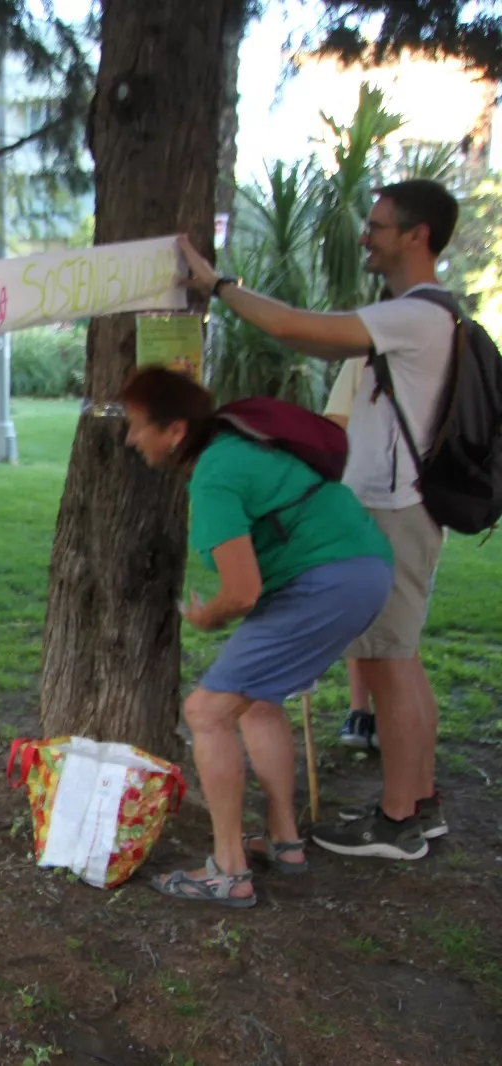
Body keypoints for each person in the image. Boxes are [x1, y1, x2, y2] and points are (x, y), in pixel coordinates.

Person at [177, 178, 458, 859]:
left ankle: (398, 822)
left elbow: (293, 328)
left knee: (387, 661)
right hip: (399, 504)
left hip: (395, 505)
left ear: (417, 236)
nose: (366, 235)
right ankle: (417, 804)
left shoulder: (417, 315)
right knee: (396, 657)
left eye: (380, 225)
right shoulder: (422, 314)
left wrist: (217, 285)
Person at [120, 368, 394, 907]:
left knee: (207, 712)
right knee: (256, 701)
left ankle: (228, 868)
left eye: (135, 426)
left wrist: (207, 617)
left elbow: (242, 592)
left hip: (325, 581)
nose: (130, 438)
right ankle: (284, 839)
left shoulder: (215, 474)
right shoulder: (237, 445)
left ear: (174, 431)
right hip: (360, 567)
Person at [322, 358, 378, 751]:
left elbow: (335, 425)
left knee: (366, 613)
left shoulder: (363, 353)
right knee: (387, 619)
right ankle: (365, 712)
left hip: (369, 501)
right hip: (415, 506)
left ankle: (368, 713)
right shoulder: (362, 355)